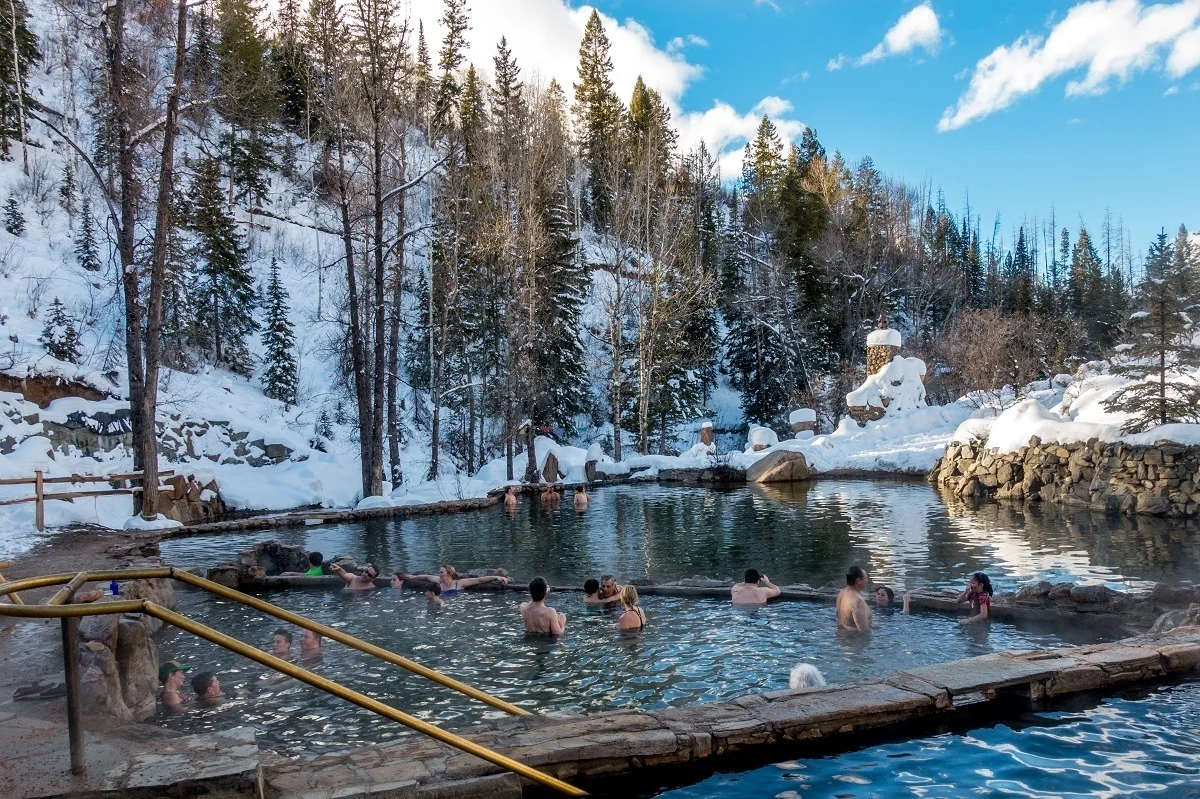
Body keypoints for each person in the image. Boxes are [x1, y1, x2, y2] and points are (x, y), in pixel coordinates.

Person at [400, 565, 510, 598]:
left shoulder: (459, 583)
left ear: (449, 574)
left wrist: (496, 577)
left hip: (455, 604)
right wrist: (412, 577)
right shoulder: (438, 581)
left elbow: (479, 580)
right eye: (439, 572)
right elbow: (426, 577)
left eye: (442, 572)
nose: (439, 574)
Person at [837, 566, 872, 632]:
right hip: (855, 639)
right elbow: (864, 633)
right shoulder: (857, 602)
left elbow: (841, 623)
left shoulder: (842, 593)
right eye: (865, 578)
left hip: (843, 637)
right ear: (859, 581)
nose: (867, 580)